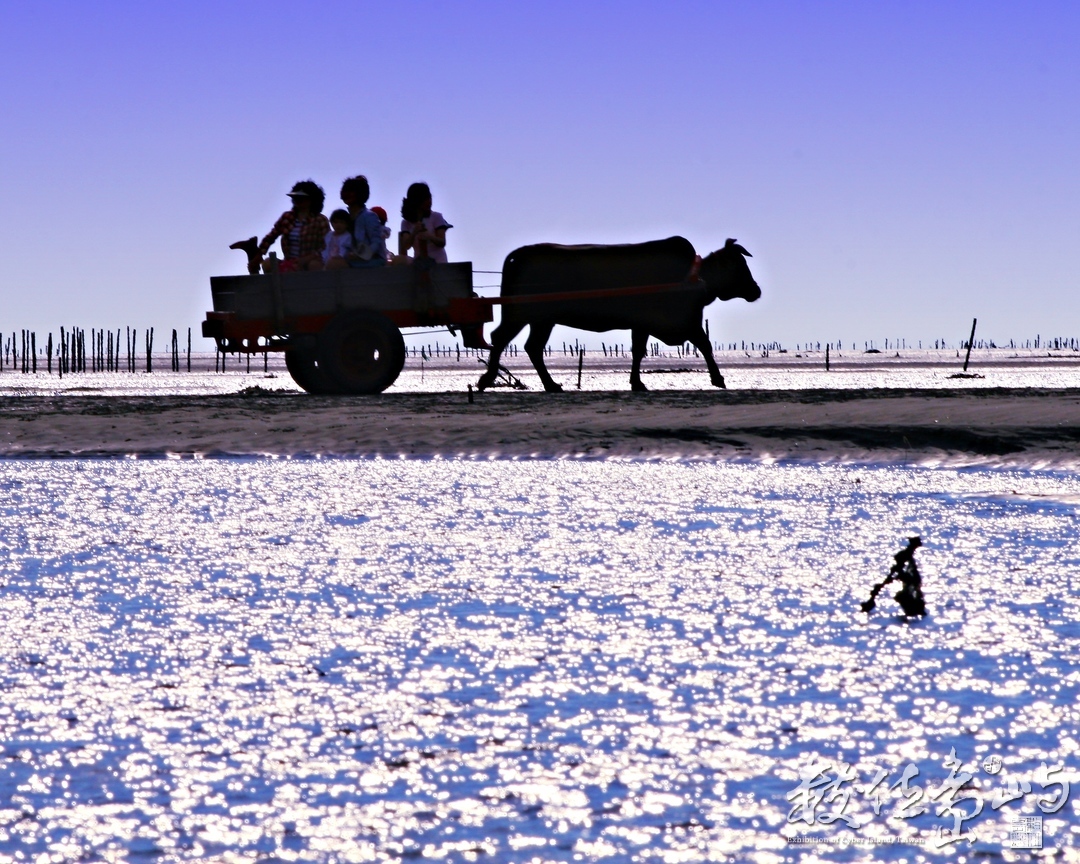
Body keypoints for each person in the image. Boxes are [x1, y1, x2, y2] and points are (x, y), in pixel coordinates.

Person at [256, 180, 330, 272]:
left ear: (312, 200)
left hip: (310, 263)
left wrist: (307, 259)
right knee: (268, 263)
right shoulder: (287, 217)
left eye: (302, 197)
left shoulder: (320, 220)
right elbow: (271, 236)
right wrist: (259, 254)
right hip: (289, 263)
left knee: (314, 265)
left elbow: (327, 246)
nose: (298, 200)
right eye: (295, 197)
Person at [338, 175, 387, 268]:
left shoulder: (369, 216)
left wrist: (361, 255)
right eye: (345, 191)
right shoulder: (346, 219)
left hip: (372, 262)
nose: (347, 194)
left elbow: (376, 243)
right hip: (353, 262)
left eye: (352, 191)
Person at [399, 182, 451, 263]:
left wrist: (430, 236)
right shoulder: (406, 223)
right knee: (398, 260)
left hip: (438, 263)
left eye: (430, 197)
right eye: (426, 199)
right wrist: (414, 232)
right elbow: (406, 245)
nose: (429, 201)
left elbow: (442, 242)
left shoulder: (437, 217)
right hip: (419, 264)